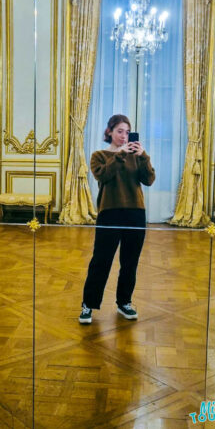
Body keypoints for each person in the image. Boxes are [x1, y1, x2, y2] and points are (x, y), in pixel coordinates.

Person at [79, 114, 155, 324]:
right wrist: (120, 155)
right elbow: (103, 176)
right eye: (120, 131)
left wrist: (143, 156)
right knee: (100, 261)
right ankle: (88, 305)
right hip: (110, 212)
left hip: (135, 214)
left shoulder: (136, 155)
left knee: (129, 262)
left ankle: (124, 302)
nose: (124, 136)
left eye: (127, 132)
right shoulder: (99, 155)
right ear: (109, 132)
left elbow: (148, 179)